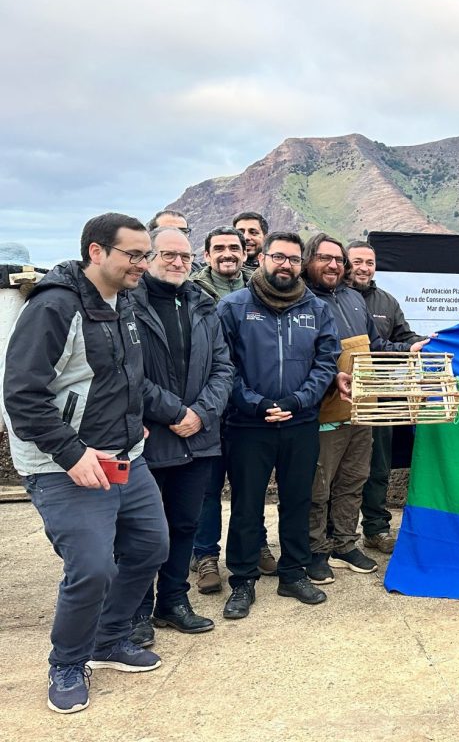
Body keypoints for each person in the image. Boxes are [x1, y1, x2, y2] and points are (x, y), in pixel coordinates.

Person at [1, 213, 169, 714]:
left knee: (150, 547)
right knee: (92, 567)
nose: (143, 264)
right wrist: (72, 453)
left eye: (146, 254)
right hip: (62, 465)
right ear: (97, 252)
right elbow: (21, 395)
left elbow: (124, 375)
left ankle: (108, 640)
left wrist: (131, 418)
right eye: (134, 255)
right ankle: (67, 662)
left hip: (124, 456)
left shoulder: (126, 302)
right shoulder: (54, 306)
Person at [217, 231, 339, 619]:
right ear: (263, 258)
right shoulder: (233, 307)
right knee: (247, 504)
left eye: (292, 258)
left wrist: (296, 401)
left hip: (300, 422)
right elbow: (223, 365)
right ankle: (242, 580)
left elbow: (326, 362)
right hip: (248, 424)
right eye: (278, 257)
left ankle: (292, 573)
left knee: (299, 500)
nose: (284, 264)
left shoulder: (316, 309)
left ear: (301, 264)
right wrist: (256, 405)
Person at [126, 227, 232, 647]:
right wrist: (176, 412)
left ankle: (172, 602)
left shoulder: (203, 306)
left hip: (199, 438)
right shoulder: (126, 306)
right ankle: (135, 611)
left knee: (185, 525)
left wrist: (202, 414)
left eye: (185, 257)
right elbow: (128, 371)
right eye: (168, 254)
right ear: (148, 257)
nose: (177, 263)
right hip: (151, 439)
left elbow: (223, 368)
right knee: (141, 533)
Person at [301, 233, 426, 585]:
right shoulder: (301, 299)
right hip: (324, 408)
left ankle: (344, 543)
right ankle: (316, 549)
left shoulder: (355, 299)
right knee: (319, 483)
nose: (332, 265)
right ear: (310, 260)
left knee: (354, 478)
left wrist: (410, 349)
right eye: (325, 258)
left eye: (337, 259)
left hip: (362, 407)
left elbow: (378, 344)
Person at [189, 226, 271, 595]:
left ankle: (255, 544)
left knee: (250, 486)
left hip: (248, 408)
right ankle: (205, 555)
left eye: (234, 248)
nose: (227, 253)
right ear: (206, 255)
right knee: (206, 489)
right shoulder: (191, 293)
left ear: (245, 253)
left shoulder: (262, 290)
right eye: (219, 248)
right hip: (208, 408)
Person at [347, 240, 426, 554]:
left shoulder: (387, 302)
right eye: (358, 261)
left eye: (370, 262)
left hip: (382, 399)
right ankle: (335, 534)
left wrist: (436, 340)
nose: (364, 268)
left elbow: (406, 338)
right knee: (340, 470)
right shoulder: (329, 298)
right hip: (340, 399)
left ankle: (376, 530)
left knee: (378, 468)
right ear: (344, 262)